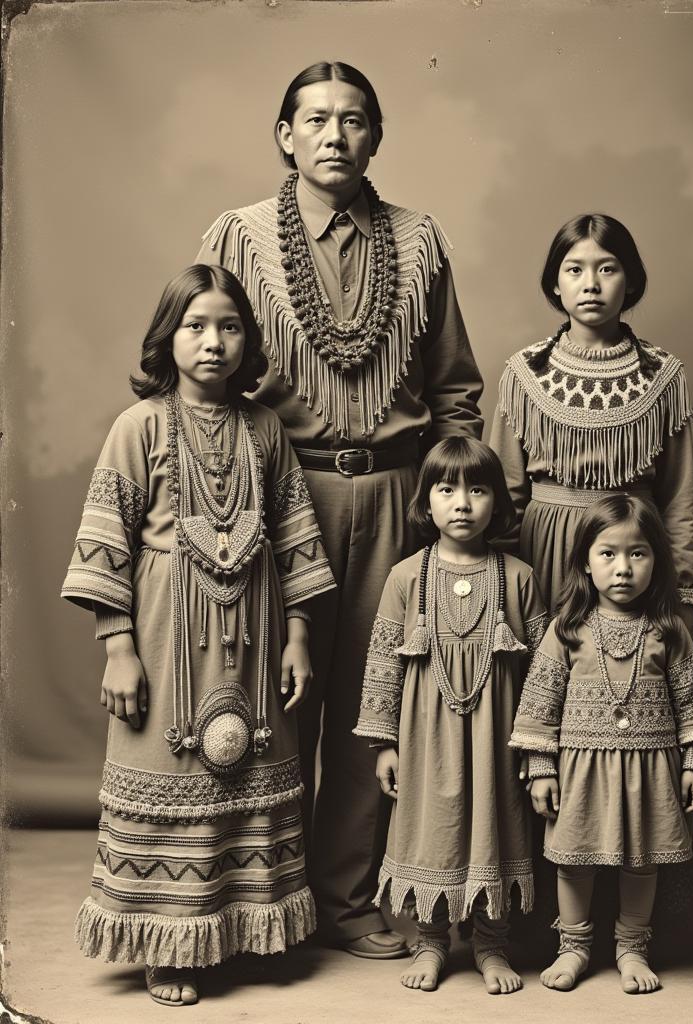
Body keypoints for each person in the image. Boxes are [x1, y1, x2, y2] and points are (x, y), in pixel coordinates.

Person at [196, 61, 484, 958]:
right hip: (278, 491)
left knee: (375, 697)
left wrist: (445, 501)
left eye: (353, 119)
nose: (334, 135)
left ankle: (348, 895)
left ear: (376, 136)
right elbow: (204, 364)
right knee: (275, 693)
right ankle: (266, 899)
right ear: (284, 135)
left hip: (397, 492)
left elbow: (457, 390)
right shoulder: (239, 238)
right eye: (314, 119)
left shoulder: (419, 240)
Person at [61, 265, 335, 1007]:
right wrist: (118, 647)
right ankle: (169, 941)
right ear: (167, 337)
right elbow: (104, 545)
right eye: (196, 326)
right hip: (162, 638)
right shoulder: (139, 426)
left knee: (253, 770)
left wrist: (299, 635)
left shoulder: (266, 428)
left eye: (230, 326)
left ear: (248, 340)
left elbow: (296, 540)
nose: (214, 342)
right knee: (172, 775)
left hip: (256, 636)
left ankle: (245, 927)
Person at [352, 438, 548, 994]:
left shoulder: (518, 577)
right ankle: (431, 940)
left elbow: (545, 672)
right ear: (426, 502)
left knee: (498, 825)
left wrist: (538, 748)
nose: (462, 503)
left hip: (497, 738)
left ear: (498, 503)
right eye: (447, 490)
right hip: (424, 738)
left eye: (478, 489)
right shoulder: (405, 578)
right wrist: (384, 744)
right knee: (430, 830)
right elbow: (381, 667)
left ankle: (491, 943)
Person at [509, 494, 693, 994]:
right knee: (574, 860)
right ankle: (574, 947)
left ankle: (632, 948)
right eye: (608, 554)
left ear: (656, 561)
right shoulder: (567, 629)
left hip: (650, 770)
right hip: (582, 769)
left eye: (638, 554)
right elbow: (539, 699)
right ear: (586, 560)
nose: (622, 568)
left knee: (640, 861)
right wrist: (540, 765)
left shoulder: (669, 631)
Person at [489, 214, 693, 629]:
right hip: (544, 552)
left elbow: (680, 500)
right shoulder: (525, 373)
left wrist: (685, 594)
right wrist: (500, 585)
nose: (591, 284)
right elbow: (504, 494)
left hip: (631, 555)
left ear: (631, 281)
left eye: (607, 268)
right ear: (555, 282)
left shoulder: (663, 375)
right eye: (574, 270)